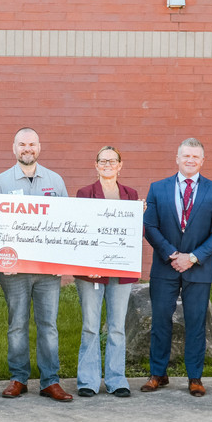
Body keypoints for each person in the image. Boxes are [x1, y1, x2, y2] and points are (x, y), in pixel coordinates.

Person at [0, 128, 71, 402]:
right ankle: (18, 378)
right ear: (14, 148)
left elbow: (66, 224)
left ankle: (50, 381)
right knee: (17, 325)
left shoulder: (55, 181)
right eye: (22, 144)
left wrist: (61, 260)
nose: (27, 148)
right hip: (14, 271)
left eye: (32, 144)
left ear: (39, 147)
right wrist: (2, 257)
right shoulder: (1, 182)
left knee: (49, 325)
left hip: (47, 272)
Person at [141, 138, 212, 397]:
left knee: (195, 323)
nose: (190, 160)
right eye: (186, 156)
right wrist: (172, 254)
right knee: (160, 321)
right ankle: (158, 373)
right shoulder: (158, 189)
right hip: (164, 266)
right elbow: (150, 227)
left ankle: (195, 377)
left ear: (202, 161)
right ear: (177, 158)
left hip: (199, 268)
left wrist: (191, 257)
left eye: (195, 157)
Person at [73, 146, 139, 398]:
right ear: (96, 165)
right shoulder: (85, 193)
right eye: (103, 160)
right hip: (91, 273)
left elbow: (136, 235)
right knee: (90, 326)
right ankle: (88, 381)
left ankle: (116, 379)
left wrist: (139, 218)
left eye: (113, 161)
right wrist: (85, 263)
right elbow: (77, 230)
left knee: (117, 326)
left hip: (121, 270)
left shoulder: (131, 196)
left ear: (120, 165)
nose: (108, 164)